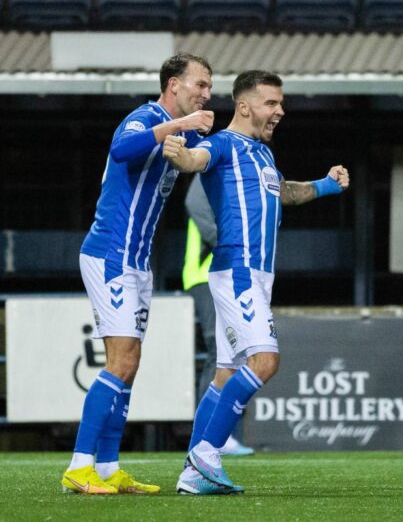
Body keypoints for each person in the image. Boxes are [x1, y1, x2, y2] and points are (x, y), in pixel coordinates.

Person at [163, 70, 350, 495]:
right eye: (272, 103)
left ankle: (194, 471)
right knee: (264, 362)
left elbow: (282, 192)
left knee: (226, 373)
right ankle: (205, 458)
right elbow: (196, 160)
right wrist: (179, 153)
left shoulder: (263, 155)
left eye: (281, 104)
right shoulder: (223, 145)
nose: (280, 111)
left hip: (256, 275)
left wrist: (326, 184)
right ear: (245, 106)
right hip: (239, 271)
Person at [63, 53, 215, 495]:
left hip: (137, 262)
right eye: (199, 85)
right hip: (110, 255)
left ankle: (108, 468)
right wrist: (178, 128)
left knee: (129, 365)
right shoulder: (145, 117)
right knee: (123, 360)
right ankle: (79, 466)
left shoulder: (172, 133)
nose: (206, 94)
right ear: (173, 85)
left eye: (209, 87)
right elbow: (120, 149)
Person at [183, 176, 255, 456]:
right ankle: (213, 436)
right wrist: (226, 245)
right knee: (218, 350)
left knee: (232, 351)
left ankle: (219, 434)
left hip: (225, 273)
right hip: (205, 273)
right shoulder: (213, 165)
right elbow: (194, 203)